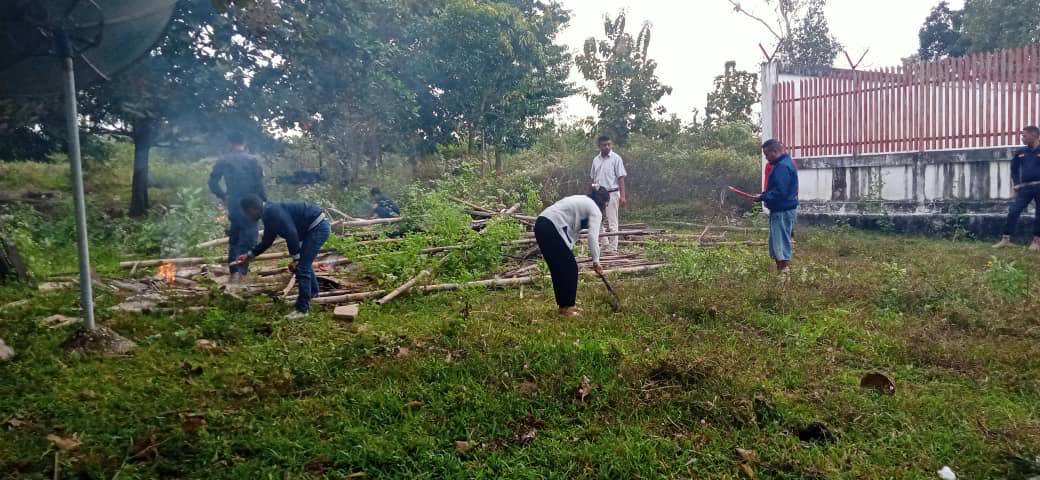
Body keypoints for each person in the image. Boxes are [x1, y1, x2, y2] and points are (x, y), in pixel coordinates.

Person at [235, 195, 332, 319]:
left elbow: (291, 232)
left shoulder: (272, 211)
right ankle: (313, 293)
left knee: (302, 267)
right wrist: (249, 255)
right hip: (314, 228)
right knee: (304, 264)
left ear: (252, 209)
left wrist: (295, 256)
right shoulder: (268, 213)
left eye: (247, 213)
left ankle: (302, 310)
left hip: (317, 227)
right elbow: (267, 240)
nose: (248, 217)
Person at [534, 188, 610, 317]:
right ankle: (569, 306)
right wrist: (596, 261)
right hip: (551, 226)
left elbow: (569, 232)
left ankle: (564, 307)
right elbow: (593, 237)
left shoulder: (582, 201)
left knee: (558, 269)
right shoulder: (595, 210)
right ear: (604, 203)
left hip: (541, 224)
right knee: (571, 268)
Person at [209, 132, 266, 281]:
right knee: (248, 237)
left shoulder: (223, 160)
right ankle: (241, 274)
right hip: (252, 204)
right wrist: (265, 201)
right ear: (244, 143)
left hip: (234, 202)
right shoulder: (252, 160)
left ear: (230, 143)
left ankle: (234, 270)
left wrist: (223, 196)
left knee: (235, 236)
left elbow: (212, 183)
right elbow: (259, 185)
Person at [738, 139, 798, 275]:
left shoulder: (782, 167)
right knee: (778, 243)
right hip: (782, 210)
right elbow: (779, 189)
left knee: (780, 244)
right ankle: (782, 274)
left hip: (782, 211)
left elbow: (780, 192)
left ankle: (783, 276)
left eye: (766, 154)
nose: (766, 158)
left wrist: (762, 197)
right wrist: (764, 195)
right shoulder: (786, 163)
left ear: (775, 151)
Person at [993, 126, 1040, 251]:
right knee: (1014, 210)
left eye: (1025, 136)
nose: (1022, 138)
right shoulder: (1020, 152)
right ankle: (1006, 239)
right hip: (1025, 187)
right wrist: (1016, 183)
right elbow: (1014, 169)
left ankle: (1036, 242)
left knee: (1039, 214)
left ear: (1034, 136)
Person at [590, 135, 627, 255]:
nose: (607, 147)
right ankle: (605, 244)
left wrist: (622, 196)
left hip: (612, 193)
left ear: (611, 145)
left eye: (609, 144)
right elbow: (593, 179)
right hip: (598, 194)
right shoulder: (596, 160)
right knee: (598, 220)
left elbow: (621, 178)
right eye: (604, 145)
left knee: (612, 221)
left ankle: (613, 247)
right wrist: (591, 194)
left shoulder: (616, 158)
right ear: (599, 146)